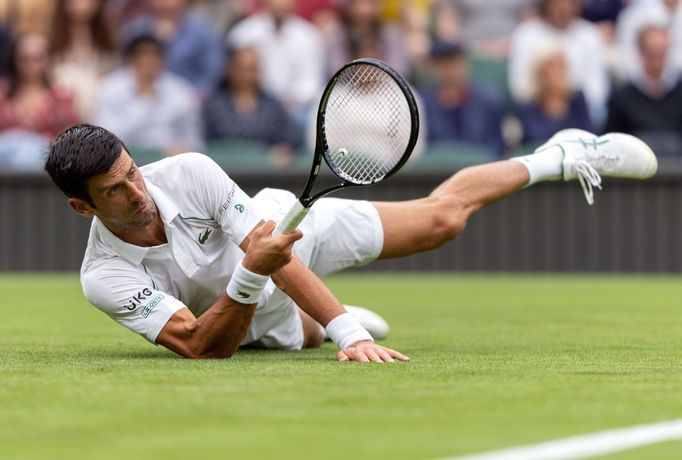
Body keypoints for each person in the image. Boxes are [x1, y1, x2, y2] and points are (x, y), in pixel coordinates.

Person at [44, 123, 658, 362]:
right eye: (115, 190)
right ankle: (321, 321)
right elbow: (204, 347)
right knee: (289, 336)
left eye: (133, 170)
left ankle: (560, 154)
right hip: (251, 313)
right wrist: (250, 278)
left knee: (441, 222)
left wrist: (350, 335)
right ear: (82, 206)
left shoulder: (189, 171)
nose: (137, 190)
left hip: (284, 236)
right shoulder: (103, 275)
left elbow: (272, 250)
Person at [93, 33, 202, 156]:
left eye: (155, 55)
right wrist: (144, 99)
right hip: (121, 162)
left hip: (169, 163)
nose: (149, 61)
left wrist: (182, 149)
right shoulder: (109, 88)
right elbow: (104, 138)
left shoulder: (181, 92)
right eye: (142, 55)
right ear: (130, 59)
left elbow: (194, 139)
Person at [508, 0, 609, 126]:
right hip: (537, 109)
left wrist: (567, 100)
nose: (563, 8)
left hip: (581, 109)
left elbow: (597, 90)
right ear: (546, 4)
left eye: (568, 3)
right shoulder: (526, 34)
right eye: (557, 3)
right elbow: (520, 88)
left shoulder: (590, 35)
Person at [203, 46, 299, 167]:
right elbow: (202, 142)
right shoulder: (214, 105)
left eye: (252, 69)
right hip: (222, 171)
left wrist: (283, 151)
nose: (246, 75)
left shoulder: (273, 106)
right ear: (230, 70)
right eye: (242, 69)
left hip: (264, 174)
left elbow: (287, 142)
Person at [0, 32, 79, 170]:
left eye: (37, 58)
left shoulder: (61, 97)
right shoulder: (3, 94)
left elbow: (72, 139)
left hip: (47, 174)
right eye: (24, 58)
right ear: (14, 59)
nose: (31, 64)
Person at [606, 25, 682, 157]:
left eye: (661, 51)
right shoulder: (623, 97)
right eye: (652, 51)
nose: (656, 57)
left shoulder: (679, 92)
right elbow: (612, 143)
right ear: (640, 51)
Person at [122, 0, 224, 97]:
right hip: (143, 98)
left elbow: (213, 68)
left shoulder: (202, 30)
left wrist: (199, 94)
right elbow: (125, 66)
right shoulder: (137, 29)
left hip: (189, 100)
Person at [421, 41, 505, 157]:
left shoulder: (488, 101)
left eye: (454, 62)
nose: (449, 70)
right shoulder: (423, 104)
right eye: (442, 64)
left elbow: (497, 147)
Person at [49, 0, 120, 120]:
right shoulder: (53, 43)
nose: (83, 4)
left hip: (99, 114)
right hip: (64, 114)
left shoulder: (106, 41)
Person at [515, 47, 592, 146]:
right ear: (540, 73)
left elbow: (589, 137)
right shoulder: (527, 106)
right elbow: (534, 141)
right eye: (553, 67)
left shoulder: (577, 99)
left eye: (562, 66)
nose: (559, 72)